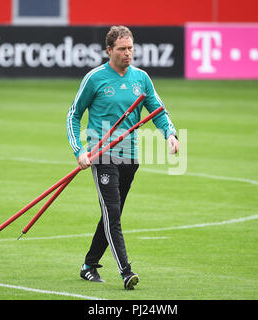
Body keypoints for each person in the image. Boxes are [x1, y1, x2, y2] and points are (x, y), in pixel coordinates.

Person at [66, 25, 179, 290]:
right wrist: (79, 151)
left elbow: (158, 109)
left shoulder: (141, 78)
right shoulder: (95, 78)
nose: (128, 53)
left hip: (130, 157)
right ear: (109, 50)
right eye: (122, 49)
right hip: (102, 155)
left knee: (110, 215)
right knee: (113, 215)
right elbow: (73, 115)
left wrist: (170, 134)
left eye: (131, 48)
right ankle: (126, 272)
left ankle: (89, 265)